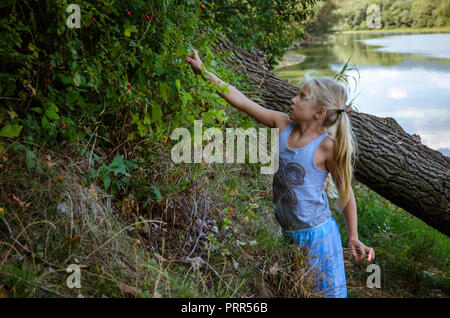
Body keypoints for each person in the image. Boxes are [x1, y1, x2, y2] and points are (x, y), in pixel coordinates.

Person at [186, 49, 375, 298]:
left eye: (302, 97)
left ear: (319, 113)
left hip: (318, 238)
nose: (294, 99)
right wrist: (204, 72)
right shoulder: (282, 124)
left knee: (323, 293)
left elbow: (346, 194)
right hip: (288, 233)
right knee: (294, 290)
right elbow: (241, 100)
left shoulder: (326, 147)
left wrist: (353, 237)